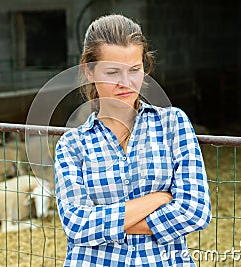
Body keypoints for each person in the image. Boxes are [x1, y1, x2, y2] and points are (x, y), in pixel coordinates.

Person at [54, 14, 211, 266]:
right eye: (113, 72)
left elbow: (195, 211)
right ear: (89, 70)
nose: (126, 83)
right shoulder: (72, 145)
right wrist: (157, 199)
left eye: (135, 70)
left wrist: (103, 223)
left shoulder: (173, 124)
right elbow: (77, 226)